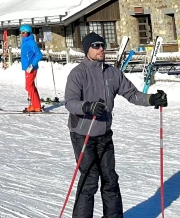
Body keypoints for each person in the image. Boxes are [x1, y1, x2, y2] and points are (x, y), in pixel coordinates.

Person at [63, 32, 168, 218]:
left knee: (110, 178)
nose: (101, 49)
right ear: (87, 49)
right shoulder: (78, 73)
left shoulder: (112, 73)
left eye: (102, 45)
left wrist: (152, 99)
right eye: (96, 46)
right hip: (83, 134)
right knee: (89, 180)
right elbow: (70, 102)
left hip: (104, 134)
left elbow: (132, 94)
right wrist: (87, 106)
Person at [19, 24, 43, 113]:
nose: (22, 34)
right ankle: (36, 105)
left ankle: (36, 106)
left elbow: (39, 55)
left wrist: (32, 65)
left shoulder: (31, 42)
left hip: (31, 68)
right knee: (30, 86)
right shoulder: (24, 41)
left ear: (28, 33)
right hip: (27, 67)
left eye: (24, 32)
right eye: (21, 32)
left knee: (28, 86)